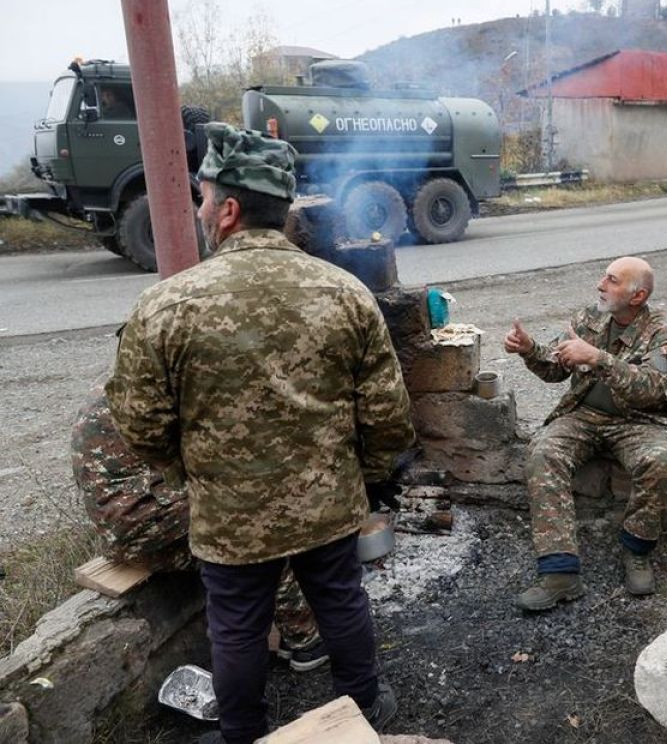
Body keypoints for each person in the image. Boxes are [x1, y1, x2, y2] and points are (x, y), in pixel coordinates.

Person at [106, 123, 416, 744]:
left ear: (228, 210)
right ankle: (365, 709)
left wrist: (193, 469)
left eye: (203, 198)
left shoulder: (165, 305)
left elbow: (140, 426)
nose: (199, 209)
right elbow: (388, 415)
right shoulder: (345, 292)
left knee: (238, 624)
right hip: (327, 503)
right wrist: (368, 476)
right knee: (340, 599)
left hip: (228, 512)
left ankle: (243, 732)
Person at [71, 388, 329, 672]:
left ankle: (270, 635)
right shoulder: (161, 396)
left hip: (124, 534)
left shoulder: (114, 391)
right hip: (148, 524)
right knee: (261, 534)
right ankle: (306, 641)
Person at [505, 256, 667, 611]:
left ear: (637, 296)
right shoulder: (590, 317)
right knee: (543, 452)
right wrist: (528, 350)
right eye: (604, 277)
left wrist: (599, 358)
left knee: (663, 461)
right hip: (583, 414)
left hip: (638, 422)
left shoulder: (662, 334)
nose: (601, 284)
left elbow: (649, 388)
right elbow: (555, 367)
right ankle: (560, 573)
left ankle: (637, 550)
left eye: (612, 280)